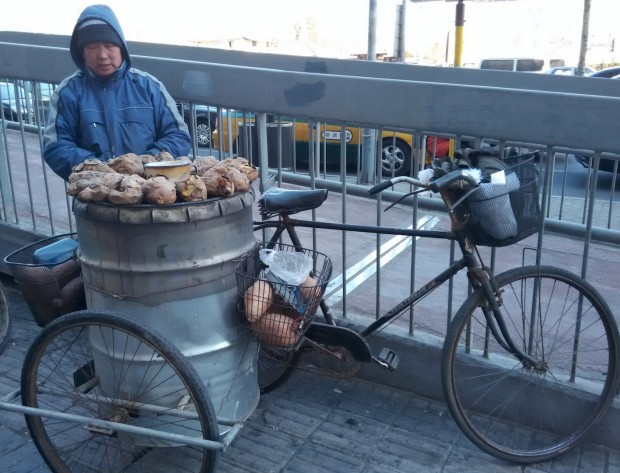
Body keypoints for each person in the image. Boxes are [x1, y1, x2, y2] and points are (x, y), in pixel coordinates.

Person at [43, 4, 191, 181]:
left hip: (150, 192)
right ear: (82, 53)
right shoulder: (69, 92)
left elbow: (178, 136)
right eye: (92, 47)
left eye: (109, 45)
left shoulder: (150, 87)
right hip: (96, 196)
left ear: (122, 48)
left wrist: (145, 163)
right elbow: (56, 147)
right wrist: (98, 169)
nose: (102, 55)